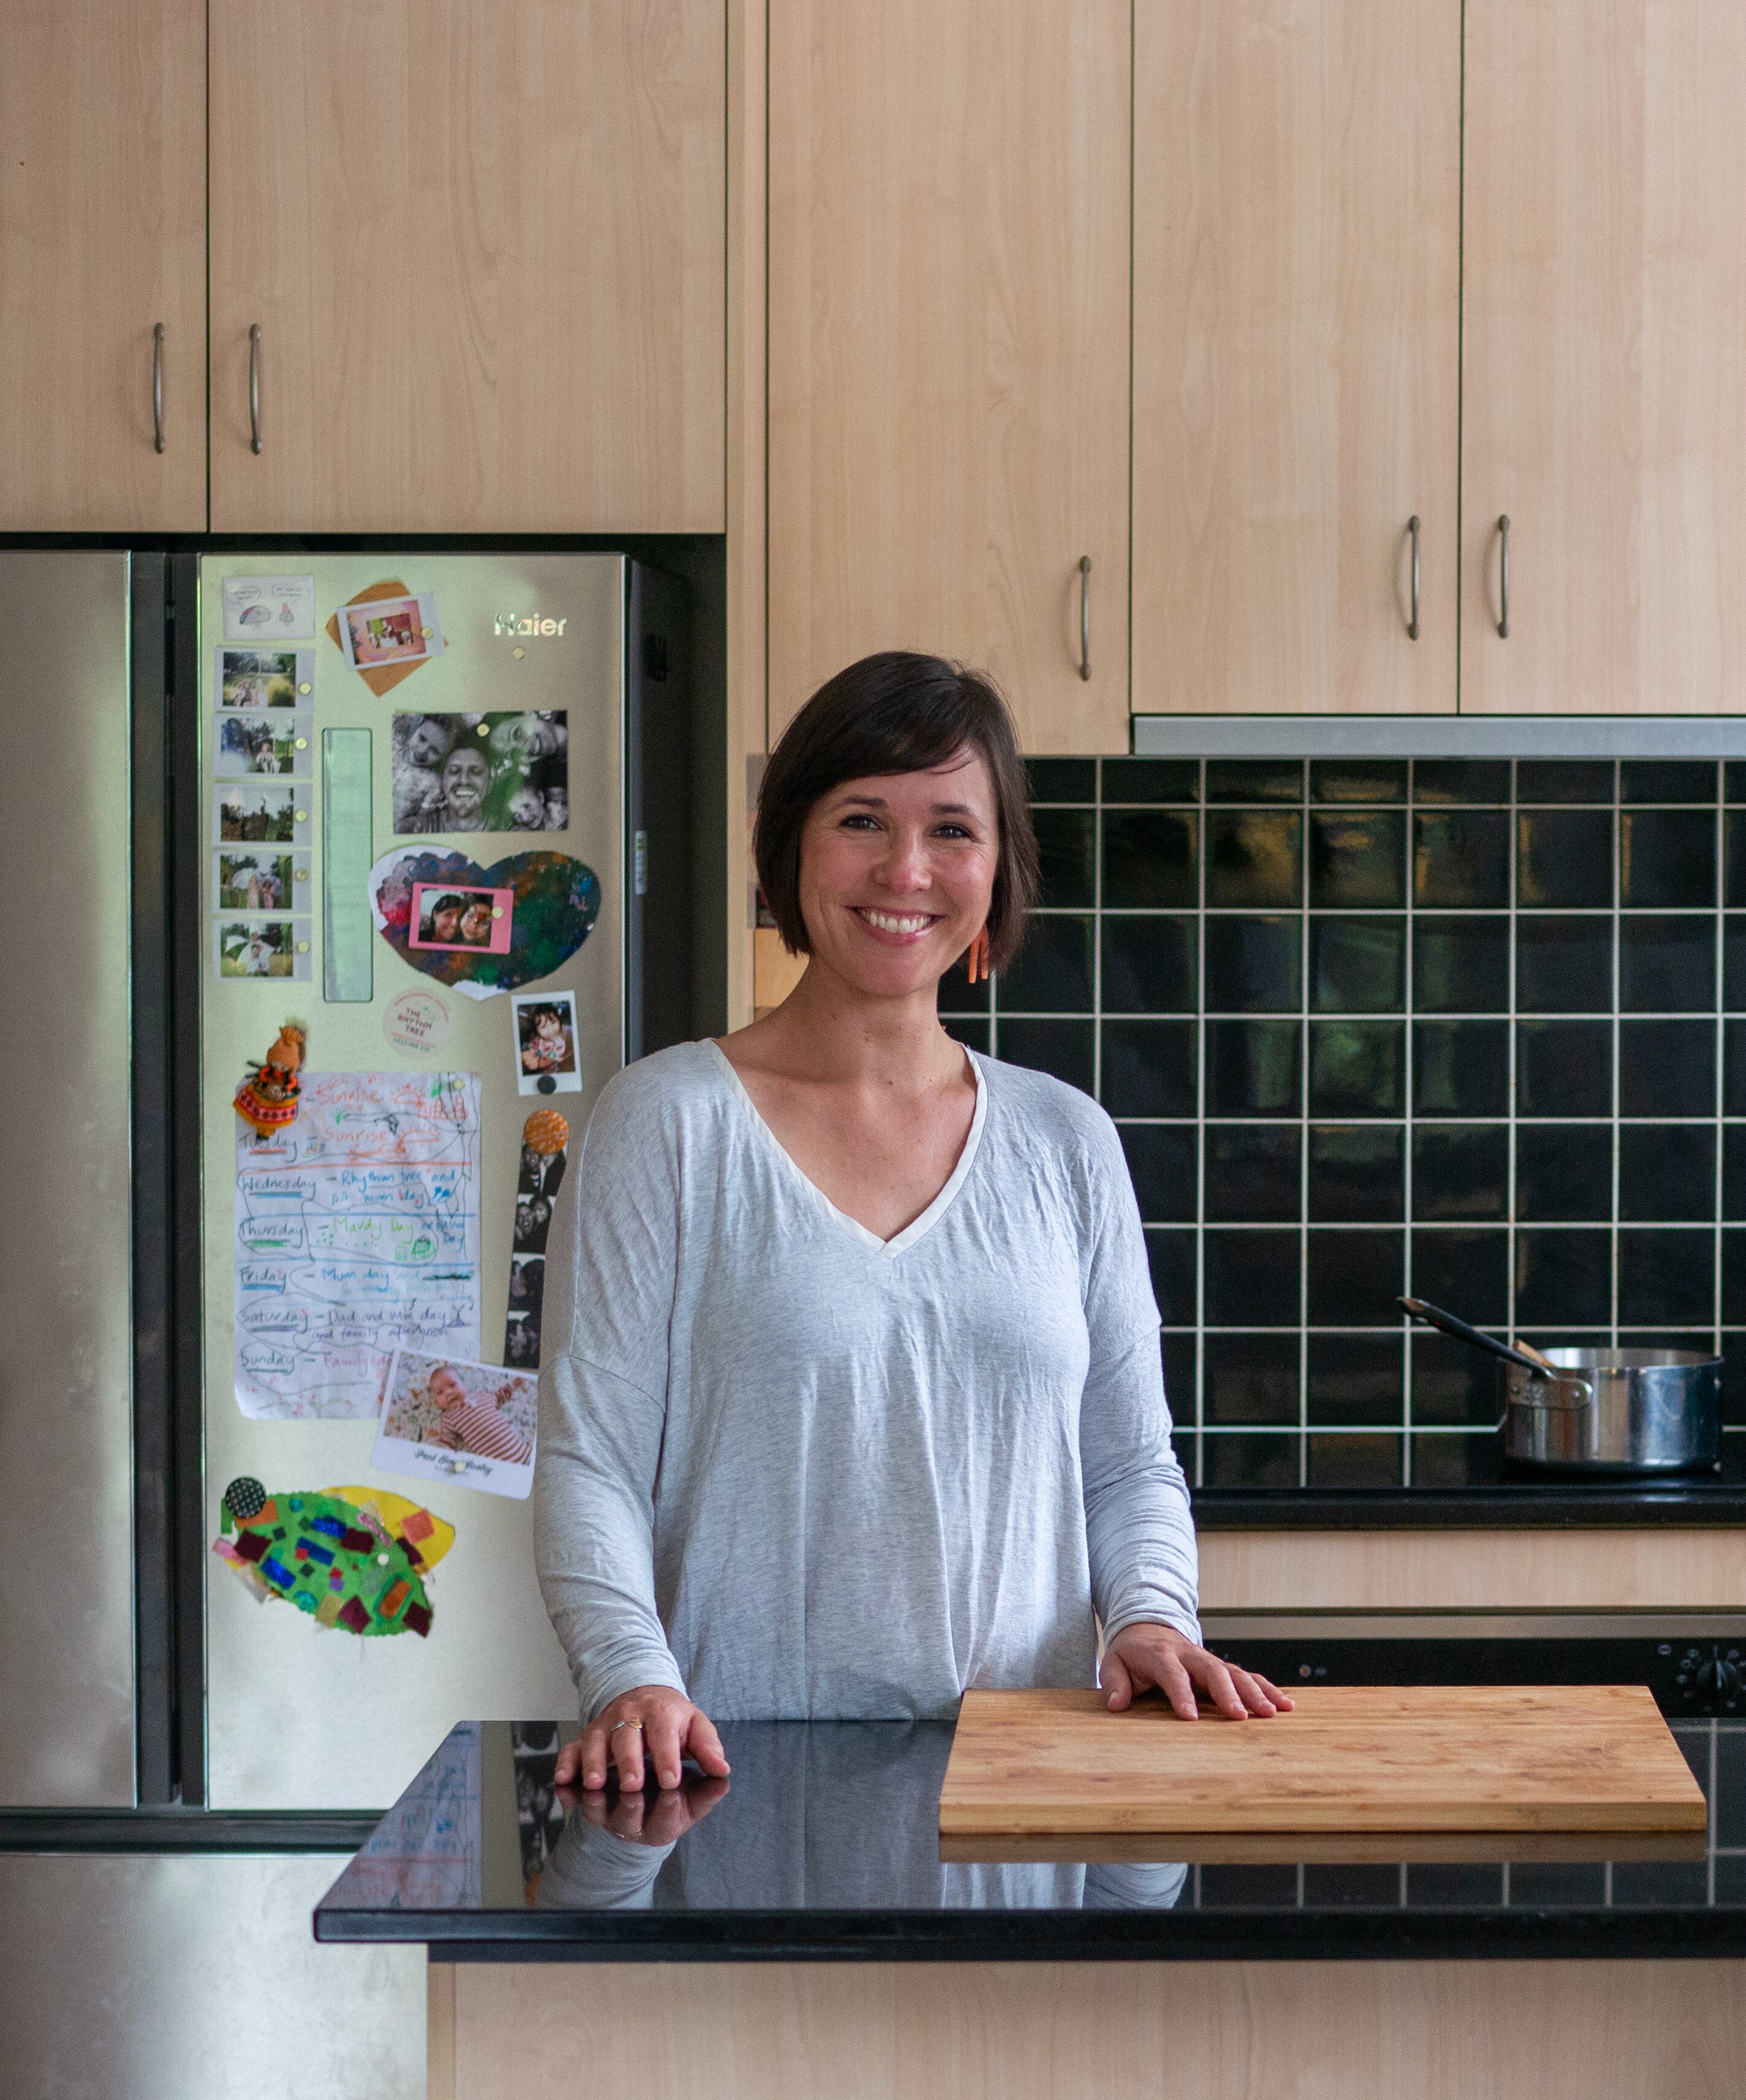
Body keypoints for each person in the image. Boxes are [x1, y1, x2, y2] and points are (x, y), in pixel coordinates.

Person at [535, 652, 1288, 1799]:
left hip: (1024, 1787)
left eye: (951, 829)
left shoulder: (1067, 1141)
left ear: (998, 867)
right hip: (734, 1777)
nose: (905, 868)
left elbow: (1128, 1461)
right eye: (861, 819)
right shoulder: (666, 1122)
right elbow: (592, 1458)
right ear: (785, 844)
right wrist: (628, 1675)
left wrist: (1148, 1614)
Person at [423, 1365, 534, 1467]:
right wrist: (438, 1453)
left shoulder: (481, 1397)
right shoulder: (449, 1418)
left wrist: (514, 1384)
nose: (448, 1393)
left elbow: (500, 1396)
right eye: (440, 1392)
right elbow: (447, 1440)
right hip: (500, 1468)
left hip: (525, 1453)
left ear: (464, 1384)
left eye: (453, 1385)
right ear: (437, 1403)